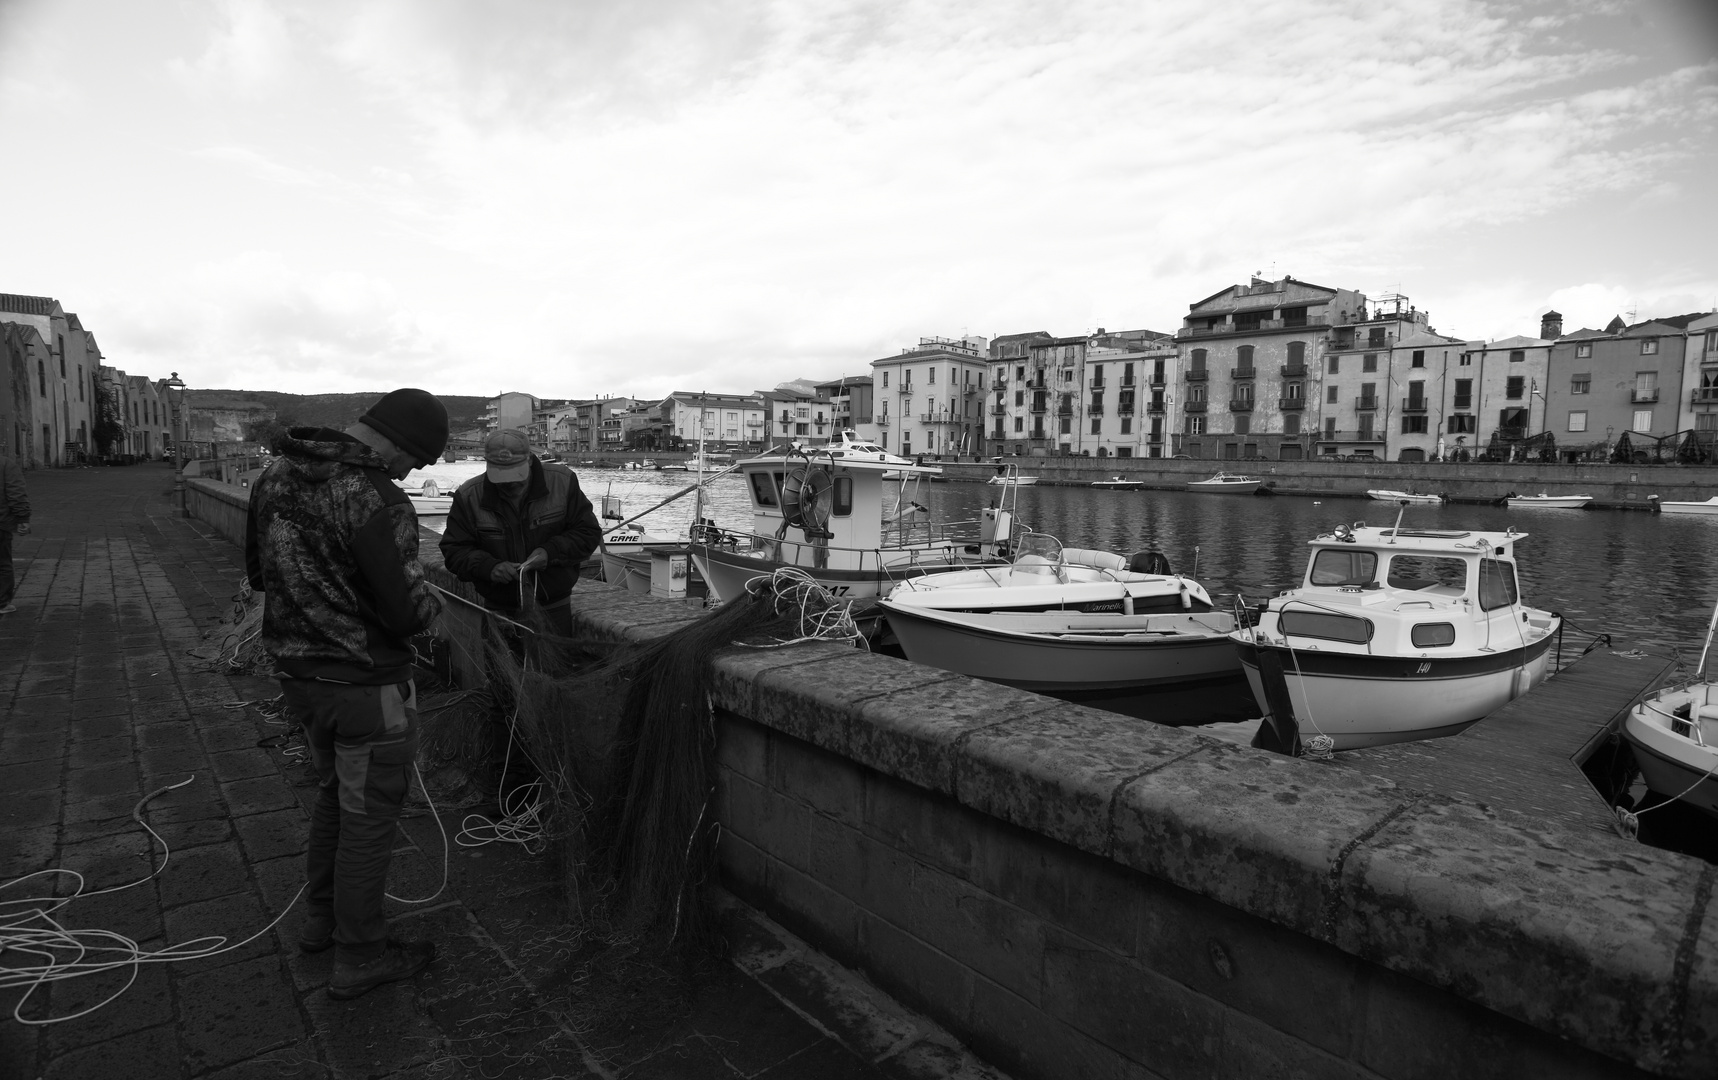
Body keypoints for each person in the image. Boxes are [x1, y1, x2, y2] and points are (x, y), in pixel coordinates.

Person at [244, 388, 448, 1000]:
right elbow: (404, 613)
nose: (414, 473)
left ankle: (320, 924)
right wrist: (429, 603)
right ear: (396, 441)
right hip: (364, 688)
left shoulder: (273, 476)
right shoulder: (377, 498)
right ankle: (359, 954)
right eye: (416, 459)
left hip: (300, 678)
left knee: (337, 799)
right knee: (368, 821)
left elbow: (259, 574)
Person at [439, 428, 603, 638]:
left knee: (553, 669)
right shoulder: (468, 496)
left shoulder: (563, 481)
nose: (509, 484)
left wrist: (550, 552)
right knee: (499, 667)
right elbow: (454, 551)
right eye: (502, 477)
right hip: (498, 609)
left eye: (515, 475)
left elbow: (588, 533)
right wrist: (489, 567)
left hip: (554, 606)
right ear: (488, 465)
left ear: (529, 459)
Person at [0, 454, 31, 615]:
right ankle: (2, 603)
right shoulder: (6, 465)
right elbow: (16, 492)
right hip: (1, 523)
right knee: (3, 563)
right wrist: (22, 518)